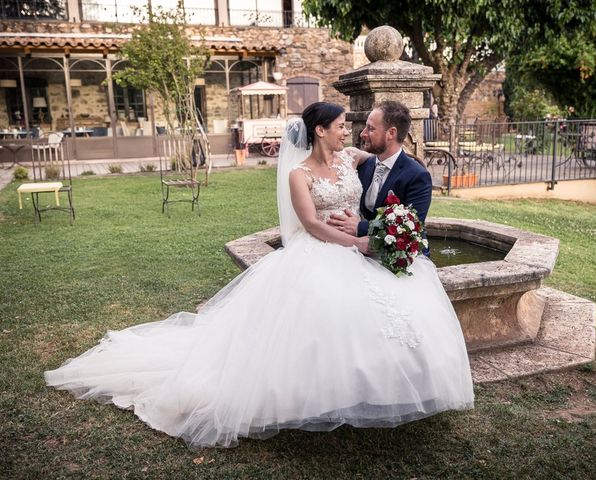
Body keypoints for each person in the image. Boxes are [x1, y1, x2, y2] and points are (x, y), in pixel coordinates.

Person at [45, 102, 473, 449]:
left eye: (360, 126)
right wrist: (356, 243)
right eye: (343, 125)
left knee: (385, 313)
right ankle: (304, 396)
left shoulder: (353, 160)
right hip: (323, 251)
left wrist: (365, 237)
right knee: (323, 311)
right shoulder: (297, 173)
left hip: (358, 249)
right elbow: (309, 224)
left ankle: (380, 388)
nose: (353, 131)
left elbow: (387, 182)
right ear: (320, 130)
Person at [327, 101, 431, 255]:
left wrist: (360, 227)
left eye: (370, 129)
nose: (362, 134)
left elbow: (409, 228)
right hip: (361, 250)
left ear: (391, 133)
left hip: (400, 255)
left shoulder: (417, 176)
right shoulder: (363, 164)